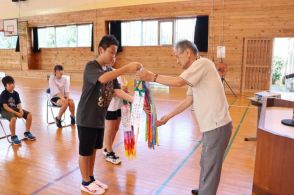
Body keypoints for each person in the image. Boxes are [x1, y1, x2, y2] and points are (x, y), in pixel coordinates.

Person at [136, 40, 232, 195]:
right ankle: (204, 189)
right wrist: (167, 117)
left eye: (177, 56)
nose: (177, 60)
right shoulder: (196, 71)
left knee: (210, 166)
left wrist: (151, 76)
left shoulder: (203, 64)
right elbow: (188, 100)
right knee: (206, 162)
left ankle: (206, 191)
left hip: (217, 126)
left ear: (187, 53)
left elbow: (178, 81)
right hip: (212, 126)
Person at [76, 35, 141, 194]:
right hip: (86, 117)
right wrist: (126, 68)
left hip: (99, 119)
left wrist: (136, 101)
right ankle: (84, 181)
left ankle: (91, 177)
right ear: (101, 50)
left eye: (116, 53)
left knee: (93, 150)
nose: (114, 56)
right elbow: (103, 79)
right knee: (85, 152)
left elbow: (117, 91)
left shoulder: (110, 71)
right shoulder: (91, 66)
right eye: (112, 52)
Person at [0, 76, 36, 145]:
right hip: (5, 110)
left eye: (13, 83)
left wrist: (21, 111)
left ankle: (27, 132)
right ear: (5, 85)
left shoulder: (15, 93)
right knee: (13, 118)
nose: (12, 85)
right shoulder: (3, 94)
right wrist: (17, 113)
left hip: (14, 109)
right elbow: (6, 107)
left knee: (29, 115)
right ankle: (13, 136)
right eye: (9, 84)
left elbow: (19, 104)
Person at [103, 73, 125, 165]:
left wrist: (124, 90)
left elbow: (122, 87)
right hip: (110, 105)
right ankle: (109, 152)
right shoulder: (103, 72)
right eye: (112, 57)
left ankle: (107, 148)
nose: (113, 58)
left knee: (115, 128)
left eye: (114, 57)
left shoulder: (117, 72)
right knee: (109, 129)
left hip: (119, 104)